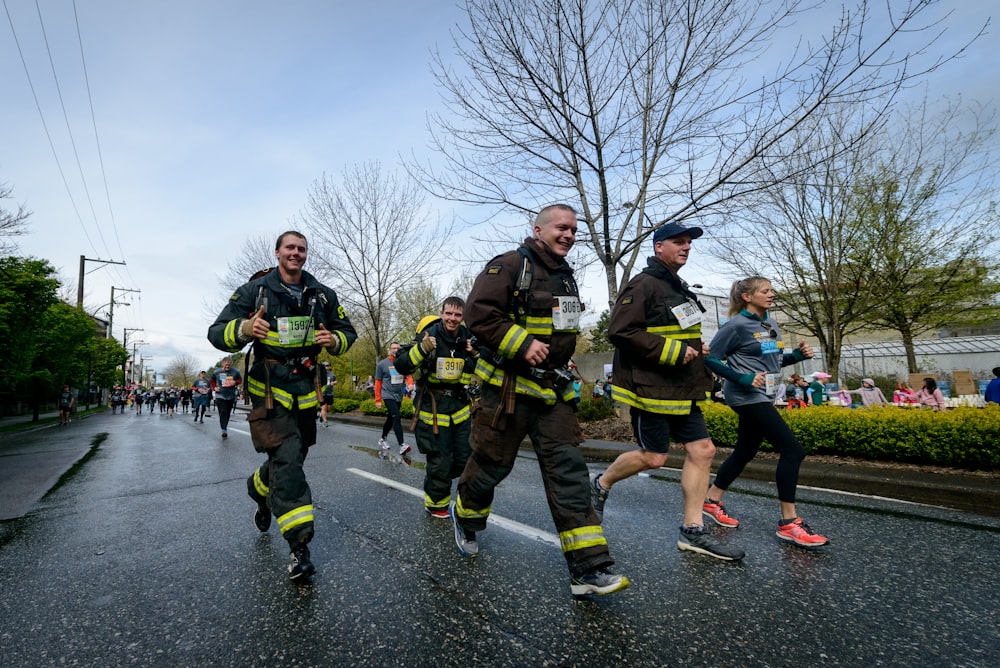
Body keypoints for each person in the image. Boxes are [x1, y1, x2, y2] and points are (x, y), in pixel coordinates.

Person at [452, 203, 629, 597]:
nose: (568, 235)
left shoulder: (566, 278)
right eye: (561, 228)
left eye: (573, 230)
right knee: (492, 466)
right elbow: (478, 314)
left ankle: (588, 569)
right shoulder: (511, 265)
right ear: (538, 229)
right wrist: (521, 342)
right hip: (506, 393)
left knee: (568, 473)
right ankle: (465, 515)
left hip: (551, 394)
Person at [208, 230, 356, 581]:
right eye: (290, 247)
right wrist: (245, 328)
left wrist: (334, 339)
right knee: (288, 461)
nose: (297, 253)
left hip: (305, 392)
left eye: (302, 249)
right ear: (277, 253)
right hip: (269, 394)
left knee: (291, 459)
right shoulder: (254, 291)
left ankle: (258, 490)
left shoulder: (322, 295)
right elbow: (216, 333)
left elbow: (348, 330)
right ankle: (299, 548)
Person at [592, 221, 745, 562]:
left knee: (703, 451)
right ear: (658, 246)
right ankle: (600, 483)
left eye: (689, 243)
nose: (686, 247)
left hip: (683, 387)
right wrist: (674, 351)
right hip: (652, 389)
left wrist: (696, 348)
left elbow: (674, 330)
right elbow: (620, 331)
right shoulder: (644, 284)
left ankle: (692, 531)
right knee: (654, 458)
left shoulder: (679, 288)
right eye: (678, 241)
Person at [703, 276, 829, 548]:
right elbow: (710, 357)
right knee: (793, 450)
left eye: (771, 290)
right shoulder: (735, 325)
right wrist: (742, 378)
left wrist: (796, 356)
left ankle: (712, 500)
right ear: (747, 297)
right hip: (746, 396)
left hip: (766, 394)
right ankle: (788, 523)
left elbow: (771, 360)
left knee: (746, 450)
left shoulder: (769, 323)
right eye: (765, 291)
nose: (771, 294)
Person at [394, 297, 478, 518]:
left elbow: (488, 363)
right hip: (433, 409)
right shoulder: (428, 334)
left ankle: (442, 488)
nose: (452, 319)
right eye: (448, 313)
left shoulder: (468, 337)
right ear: (442, 313)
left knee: (463, 458)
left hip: (460, 409)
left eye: (457, 315)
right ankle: (436, 505)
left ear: (462, 317)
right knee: (440, 461)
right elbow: (401, 364)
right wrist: (422, 349)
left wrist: (476, 354)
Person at [374, 343, 413, 456]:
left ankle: (382, 439)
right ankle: (402, 445)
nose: (395, 350)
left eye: (398, 348)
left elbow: (408, 376)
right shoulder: (382, 364)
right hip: (387, 395)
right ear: (389, 350)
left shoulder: (403, 362)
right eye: (393, 348)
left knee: (391, 418)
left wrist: (410, 384)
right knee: (396, 417)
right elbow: (378, 382)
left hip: (398, 395)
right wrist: (378, 400)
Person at [211, 357, 242, 438]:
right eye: (226, 365)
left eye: (229, 365)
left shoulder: (235, 371)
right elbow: (212, 380)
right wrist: (214, 387)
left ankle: (224, 427)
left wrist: (235, 382)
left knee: (227, 413)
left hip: (231, 395)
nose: (227, 366)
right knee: (223, 411)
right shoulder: (217, 372)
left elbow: (240, 380)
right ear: (222, 364)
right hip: (220, 395)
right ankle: (224, 429)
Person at [319, 362, 336, 426]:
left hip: (330, 393)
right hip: (322, 393)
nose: (326, 367)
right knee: (324, 407)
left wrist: (334, 382)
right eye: (325, 366)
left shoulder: (332, 374)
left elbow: (335, 380)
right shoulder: (320, 375)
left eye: (327, 366)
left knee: (328, 408)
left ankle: (321, 415)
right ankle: (325, 422)